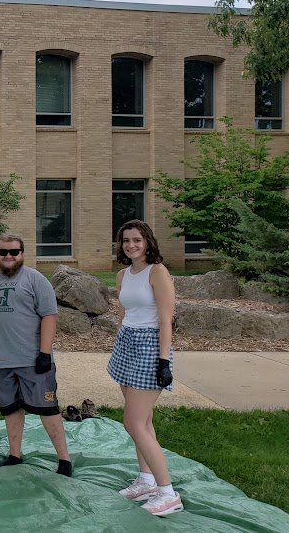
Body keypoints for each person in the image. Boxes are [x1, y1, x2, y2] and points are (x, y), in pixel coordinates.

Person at [0, 234, 73, 477]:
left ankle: (64, 460)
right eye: (3, 252)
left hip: (32, 359)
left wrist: (44, 352)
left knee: (48, 409)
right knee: (10, 408)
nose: (8, 256)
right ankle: (14, 454)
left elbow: (49, 316)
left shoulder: (35, 279)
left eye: (14, 252)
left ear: (22, 254)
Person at [108, 219, 183, 516]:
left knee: (133, 423)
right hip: (126, 344)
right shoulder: (122, 275)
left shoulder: (158, 272)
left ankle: (168, 494)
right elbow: (124, 314)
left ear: (148, 242)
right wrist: (118, 344)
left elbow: (166, 320)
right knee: (144, 420)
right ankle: (147, 481)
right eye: (126, 240)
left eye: (137, 240)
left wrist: (163, 362)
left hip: (150, 348)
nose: (131, 245)